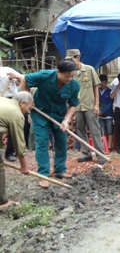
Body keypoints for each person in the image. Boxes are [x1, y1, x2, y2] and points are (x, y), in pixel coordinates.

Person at [8, 60, 80, 188]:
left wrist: (66, 120)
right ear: (58, 72)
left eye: (72, 75)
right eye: (67, 75)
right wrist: (27, 99)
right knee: (42, 142)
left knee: (62, 141)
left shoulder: (74, 86)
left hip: (59, 116)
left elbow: (73, 105)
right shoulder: (44, 76)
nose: (69, 78)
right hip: (40, 113)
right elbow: (24, 79)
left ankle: (60, 170)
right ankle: (43, 174)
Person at [66, 49, 107, 164]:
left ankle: (100, 155)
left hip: (89, 105)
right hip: (77, 107)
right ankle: (86, 154)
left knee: (95, 130)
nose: (69, 62)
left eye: (71, 59)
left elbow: (95, 87)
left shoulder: (89, 69)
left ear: (77, 58)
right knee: (81, 131)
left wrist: (96, 105)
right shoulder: (71, 73)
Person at [0, 92, 34, 210]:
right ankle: (2, 202)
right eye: (28, 108)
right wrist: (24, 166)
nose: (27, 112)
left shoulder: (4, 100)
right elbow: (19, 143)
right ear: (22, 103)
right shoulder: (16, 114)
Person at [1, 66, 21, 162]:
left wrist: (16, 77)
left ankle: (10, 152)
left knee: (14, 127)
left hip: (12, 100)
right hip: (1, 101)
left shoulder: (7, 70)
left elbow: (21, 79)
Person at [98, 74, 114, 151]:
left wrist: (103, 111)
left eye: (103, 82)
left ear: (106, 82)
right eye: (100, 82)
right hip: (99, 114)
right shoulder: (97, 91)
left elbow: (110, 104)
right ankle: (104, 145)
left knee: (110, 130)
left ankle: (110, 145)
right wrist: (98, 110)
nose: (102, 84)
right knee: (102, 130)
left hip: (108, 114)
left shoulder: (110, 91)